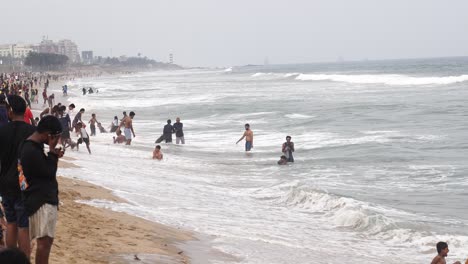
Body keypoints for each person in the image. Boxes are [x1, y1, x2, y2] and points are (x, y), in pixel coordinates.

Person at [18, 115, 64, 264]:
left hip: (38, 199)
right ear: (48, 135)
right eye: (56, 137)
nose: (57, 140)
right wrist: (51, 151)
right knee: (44, 244)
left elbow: (42, 170)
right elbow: (48, 173)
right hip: (42, 201)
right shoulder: (31, 150)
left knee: (44, 244)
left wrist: (53, 155)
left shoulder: (31, 146)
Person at [0, 96, 35, 258]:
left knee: (11, 222)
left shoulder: (2, 130)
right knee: (23, 226)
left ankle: (9, 260)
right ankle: (24, 260)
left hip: (5, 183)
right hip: (24, 185)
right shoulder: (32, 132)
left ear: (11, 111)